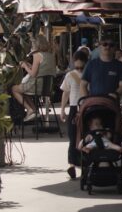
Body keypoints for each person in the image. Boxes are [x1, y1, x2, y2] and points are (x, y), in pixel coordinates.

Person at [11, 34, 58, 122]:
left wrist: (25, 66)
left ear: (36, 44)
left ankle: (29, 109)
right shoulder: (51, 55)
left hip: (36, 85)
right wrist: (30, 66)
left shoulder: (37, 55)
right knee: (24, 92)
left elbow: (33, 74)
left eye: (32, 44)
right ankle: (34, 111)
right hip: (47, 87)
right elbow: (42, 71)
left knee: (14, 89)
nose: (31, 46)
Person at [60, 49, 88, 180]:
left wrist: (62, 109)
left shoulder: (70, 75)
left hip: (75, 108)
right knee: (82, 136)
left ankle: (73, 163)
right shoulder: (89, 74)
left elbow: (65, 93)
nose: (79, 69)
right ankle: (80, 163)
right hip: (84, 107)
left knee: (73, 137)